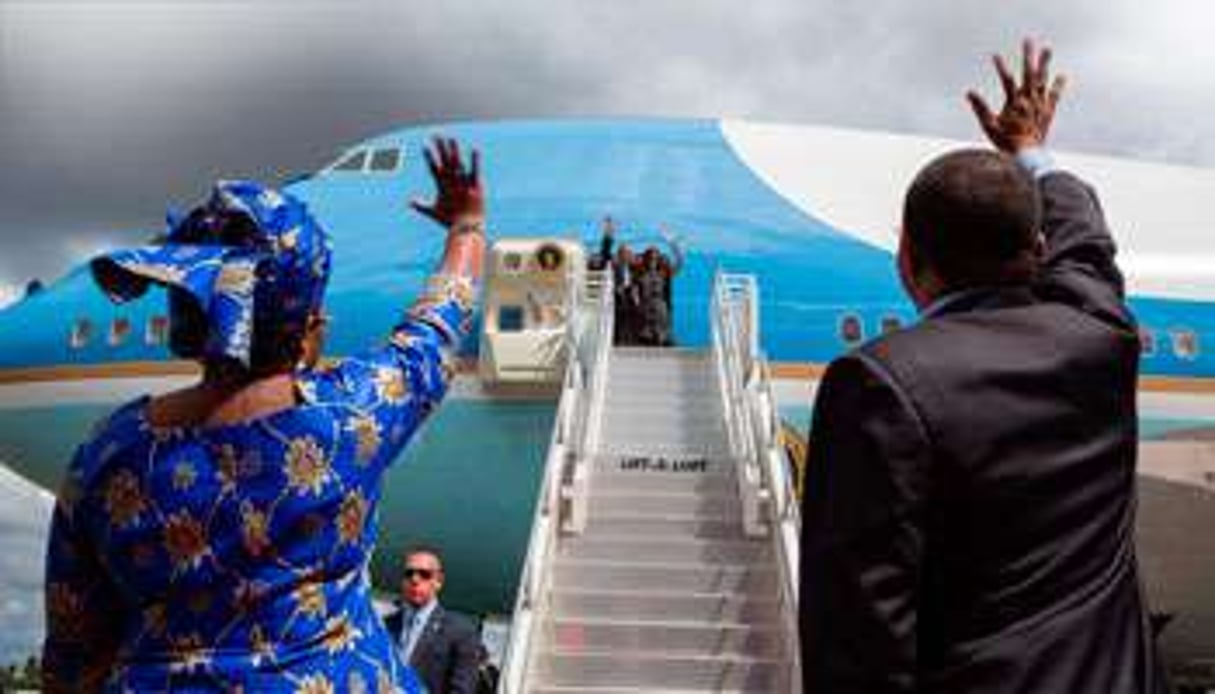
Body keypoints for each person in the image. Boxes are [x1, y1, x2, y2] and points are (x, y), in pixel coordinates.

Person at [40, 137, 486, 692]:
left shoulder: (107, 454)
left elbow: (73, 648)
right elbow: (438, 323)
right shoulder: (350, 418)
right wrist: (466, 226)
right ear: (307, 326)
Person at [798, 40, 1169, 692]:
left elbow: (858, 634)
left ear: (906, 258)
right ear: (1036, 250)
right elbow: (1083, 239)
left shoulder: (879, 384)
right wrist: (1031, 149)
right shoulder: (1102, 338)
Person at [383, 547, 480, 694]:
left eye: (424, 574)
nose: (415, 579)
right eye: (409, 574)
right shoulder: (384, 626)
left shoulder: (461, 631)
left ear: (439, 582)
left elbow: (462, 690)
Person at [629, 233, 683, 347]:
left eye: (655, 257)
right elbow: (634, 288)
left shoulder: (663, 273)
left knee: (662, 335)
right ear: (646, 258)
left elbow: (679, 264)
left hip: (660, 306)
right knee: (645, 337)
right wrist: (637, 302)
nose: (652, 260)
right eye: (650, 257)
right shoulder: (639, 273)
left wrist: (674, 246)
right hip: (645, 306)